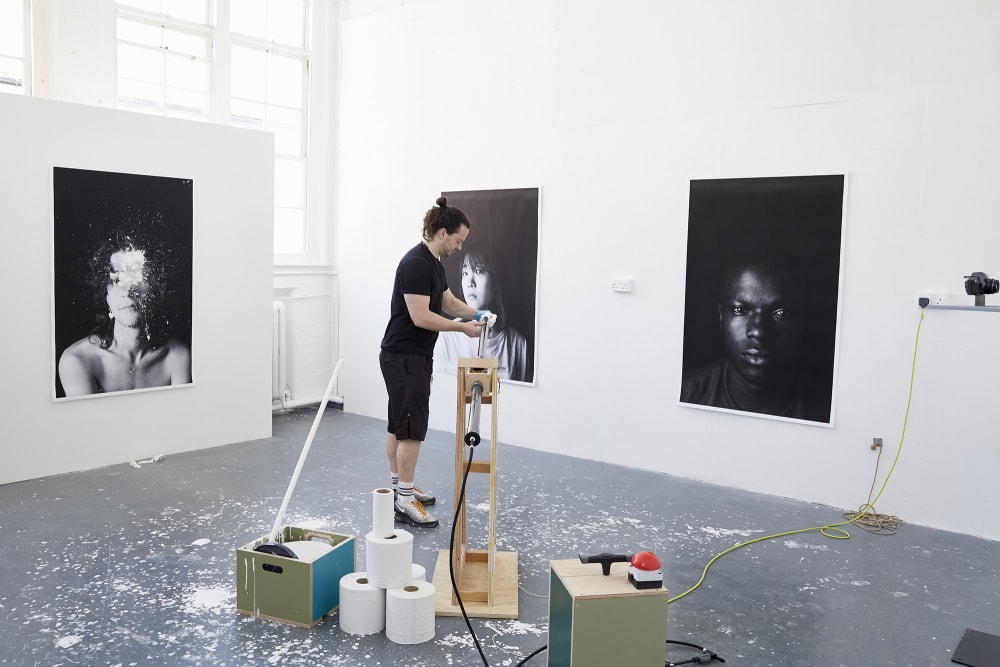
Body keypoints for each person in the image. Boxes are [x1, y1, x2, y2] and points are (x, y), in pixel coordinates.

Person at [380, 197, 488, 528]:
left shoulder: (434, 264)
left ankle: (401, 488)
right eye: (458, 240)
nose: (459, 247)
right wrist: (462, 328)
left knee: (399, 425)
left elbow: (448, 301)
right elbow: (421, 317)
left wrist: (476, 314)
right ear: (443, 233)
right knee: (410, 430)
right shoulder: (416, 264)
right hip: (404, 357)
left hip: (410, 356)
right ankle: (403, 501)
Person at [679, 248, 831, 423]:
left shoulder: (829, 408)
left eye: (781, 313)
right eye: (740, 310)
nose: (758, 331)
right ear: (721, 316)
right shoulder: (685, 395)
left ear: (803, 321)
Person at [58, 235, 191, 397]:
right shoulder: (77, 360)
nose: (128, 292)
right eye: (116, 281)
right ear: (106, 297)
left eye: (136, 277)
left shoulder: (177, 356)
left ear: (155, 290)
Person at [435, 240, 531, 382]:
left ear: (496, 278)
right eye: (465, 273)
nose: (470, 283)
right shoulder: (446, 338)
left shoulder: (518, 343)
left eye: (479, 271)